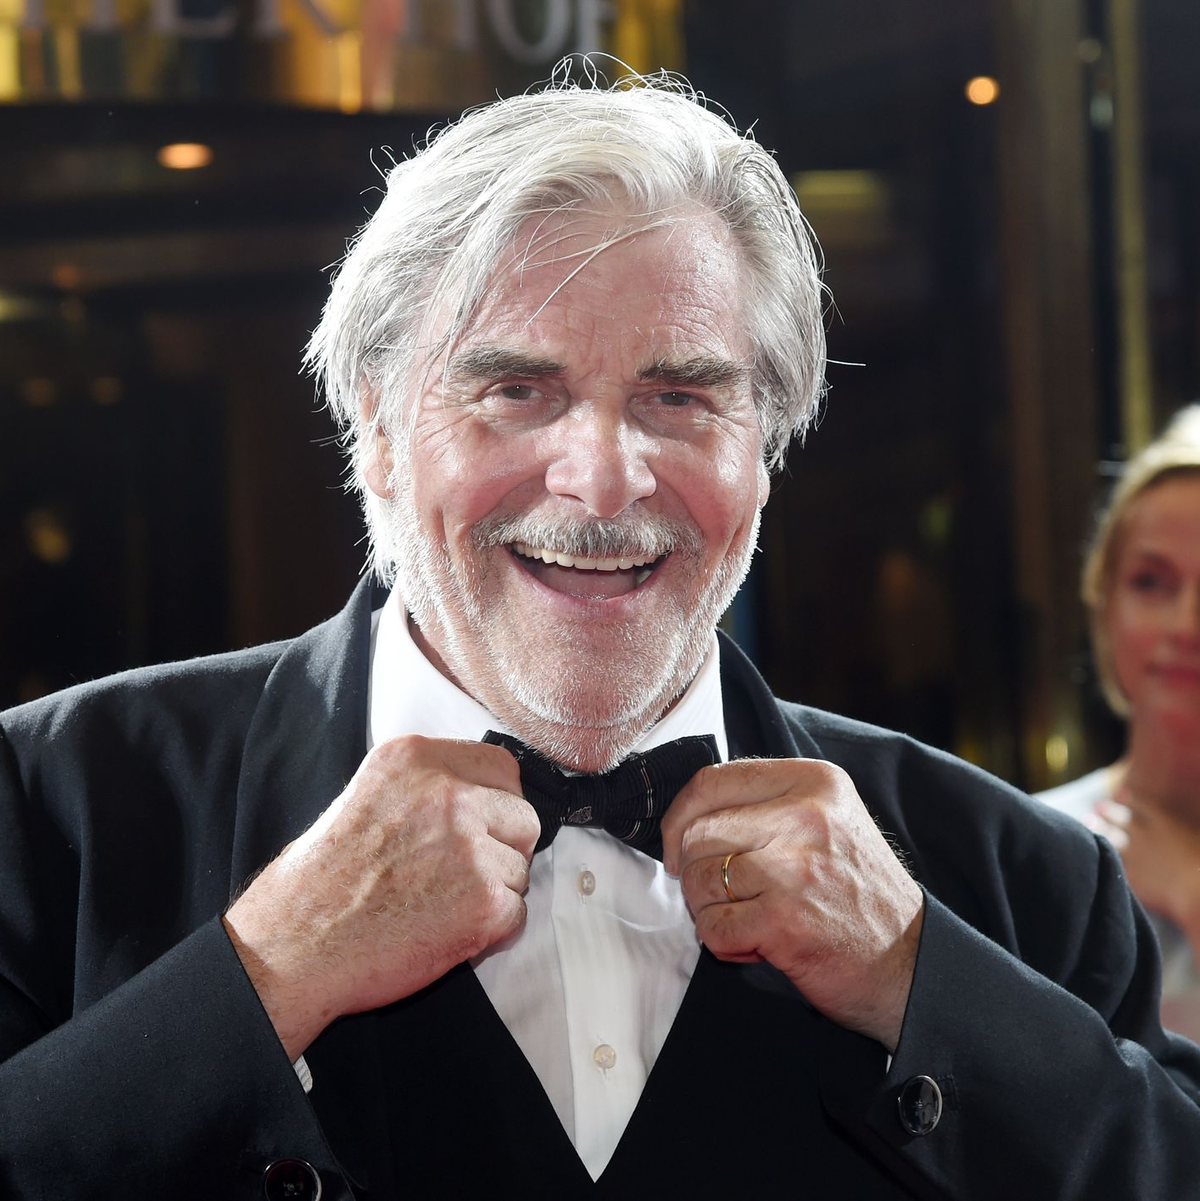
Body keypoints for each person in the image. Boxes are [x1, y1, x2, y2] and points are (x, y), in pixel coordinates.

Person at [2, 71, 1199, 1201]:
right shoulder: (53, 805)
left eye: (681, 397)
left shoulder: (1024, 882)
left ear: (767, 445)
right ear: (372, 425)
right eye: (516, 390)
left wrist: (920, 978)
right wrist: (264, 973)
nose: (605, 479)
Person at [1039, 404, 1200, 1043]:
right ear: (1104, 604)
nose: (1186, 626)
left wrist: (1189, 892)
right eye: (1151, 582)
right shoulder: (1038, 841)